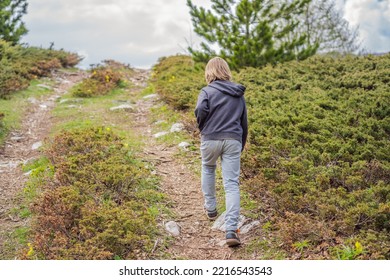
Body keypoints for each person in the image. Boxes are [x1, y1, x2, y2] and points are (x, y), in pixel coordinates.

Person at [194, 57, 248, 247]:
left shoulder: (206, 91)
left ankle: (211, 209)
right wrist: (240, 143)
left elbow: (200, 109)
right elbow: (244, 121)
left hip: (210, 138)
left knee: (208, 169)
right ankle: (231, 229)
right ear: (226, 70)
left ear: (209, 72)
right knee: (231, 183)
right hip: (233, 139)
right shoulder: (238, 93)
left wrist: (203, 128)